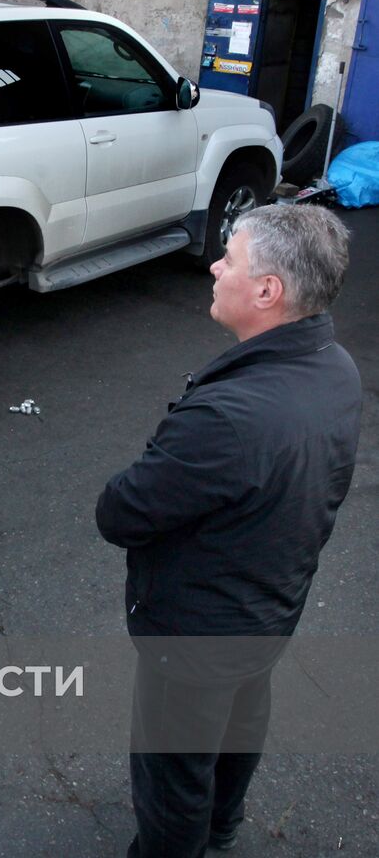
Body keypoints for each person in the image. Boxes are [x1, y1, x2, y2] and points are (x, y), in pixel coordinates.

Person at [97, 205, 361, 858]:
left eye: (230, 258)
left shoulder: (231, 417)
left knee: (172, 772)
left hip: (194, 633)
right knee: (240, 715)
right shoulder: (334, 368)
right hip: (268, 606)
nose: (214, 266)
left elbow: (120, 511)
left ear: (267, 290)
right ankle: (221, 827)